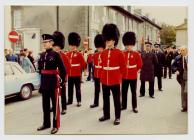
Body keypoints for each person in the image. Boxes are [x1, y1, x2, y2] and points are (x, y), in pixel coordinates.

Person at [37, 34, 66, 134]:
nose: (44, 44)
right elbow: (41, 71)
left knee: (55, 106)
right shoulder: (41, 55)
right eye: (43, 42)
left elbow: (63, 70)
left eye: (46, 42)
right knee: (45, 105)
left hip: (53, 84)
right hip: (44, 84)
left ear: (51, 43)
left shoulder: (56, 55)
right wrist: (41, 85)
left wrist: (61, 83)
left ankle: (55, 125)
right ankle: (46, 123)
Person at [99, 23, 126, 125]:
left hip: (114, 79)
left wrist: (120, 78)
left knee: (116, 99)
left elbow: (123, 68)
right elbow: (102, 66)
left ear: (114, 41)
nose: (107, 42)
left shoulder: (119, 52)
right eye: (106, 40)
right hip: (105, 79)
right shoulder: (104, 52)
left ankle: (117, 117)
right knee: (105, 98)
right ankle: (106, 115)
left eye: (109, 40)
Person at [121, 32, 142, 113]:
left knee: (133, 92)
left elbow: (140, 65)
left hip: (133, 76)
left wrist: (136, 72)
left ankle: (134, 106)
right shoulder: (122, 53)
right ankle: (124, 105)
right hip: (124, 76)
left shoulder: (136, 54)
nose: (128, 47)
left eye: (130, 45)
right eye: (127, 45)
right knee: (124, 92)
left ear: (133, 45)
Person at [66, 32, 86, 107]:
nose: (72, 47)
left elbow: (84, 64)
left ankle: (79, 101)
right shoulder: (68, 54)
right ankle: (70, 100)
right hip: (70, 74)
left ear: (76, 46)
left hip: (77, 74)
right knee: (70, 88)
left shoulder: (79, 54)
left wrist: (80, 69)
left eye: (73, 46)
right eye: (71, 45)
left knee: (78, 89)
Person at [53, 31, 71, 115]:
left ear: (60, 46)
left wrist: (64, 78)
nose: (55, 47)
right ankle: (54, 106)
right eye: (54, 46)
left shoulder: (64, 56)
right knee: (53, 93)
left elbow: (67, 68)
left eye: (57, 46)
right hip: (53, 77)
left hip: (61, 77)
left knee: (63, 93)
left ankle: (64, 108)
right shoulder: (51, 55)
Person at [90, 34, 105, 108]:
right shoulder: (95, 55)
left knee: (105, 91)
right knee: (96, 90)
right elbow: (94, 65)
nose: (99, 49)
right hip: (96, 74)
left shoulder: (105, 54)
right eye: (98, 48)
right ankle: (96, 102)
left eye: (101, 48)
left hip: (103, 74)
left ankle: (105, 104)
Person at [172, 46, 188, 112]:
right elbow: (173, 65)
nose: (182, 52)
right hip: (181, 76)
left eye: (183, 50)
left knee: (186, 91)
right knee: (183, 92)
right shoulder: (177, 58)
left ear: (186, 50)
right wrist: (176, 70)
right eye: (181, 50)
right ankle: (184, 107)